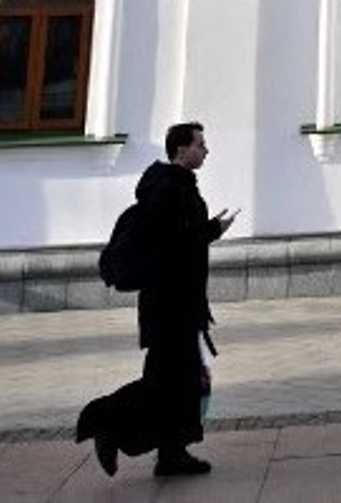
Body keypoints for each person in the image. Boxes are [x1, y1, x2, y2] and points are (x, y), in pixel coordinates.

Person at [76, 122, 236, 479]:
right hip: (170, 304)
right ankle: (106, 421)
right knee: (166, 381)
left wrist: (207, 231)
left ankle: (171, 453)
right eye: (200, 144)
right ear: (181, 149)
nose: (205, 151)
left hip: (177, 302)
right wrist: (211, 231)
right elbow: (173, 247)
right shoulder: (169, 190)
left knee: (179, 381)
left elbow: (179, 241)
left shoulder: (173, 187)